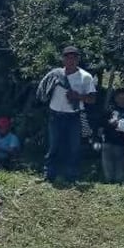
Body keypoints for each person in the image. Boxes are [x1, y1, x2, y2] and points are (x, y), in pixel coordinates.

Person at [40, 45, 97, 183]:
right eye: (67, 57)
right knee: (54, 145)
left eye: (74, 57)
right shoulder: (55, 74)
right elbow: (44, 90)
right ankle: (49, 174)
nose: (70, 60)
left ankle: (72, 176)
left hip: (73, 116)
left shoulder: (85, 77)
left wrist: (78, 97)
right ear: (63, 59)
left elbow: (92, 99)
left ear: (78, 59)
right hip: (55, 115)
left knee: (74, 147)